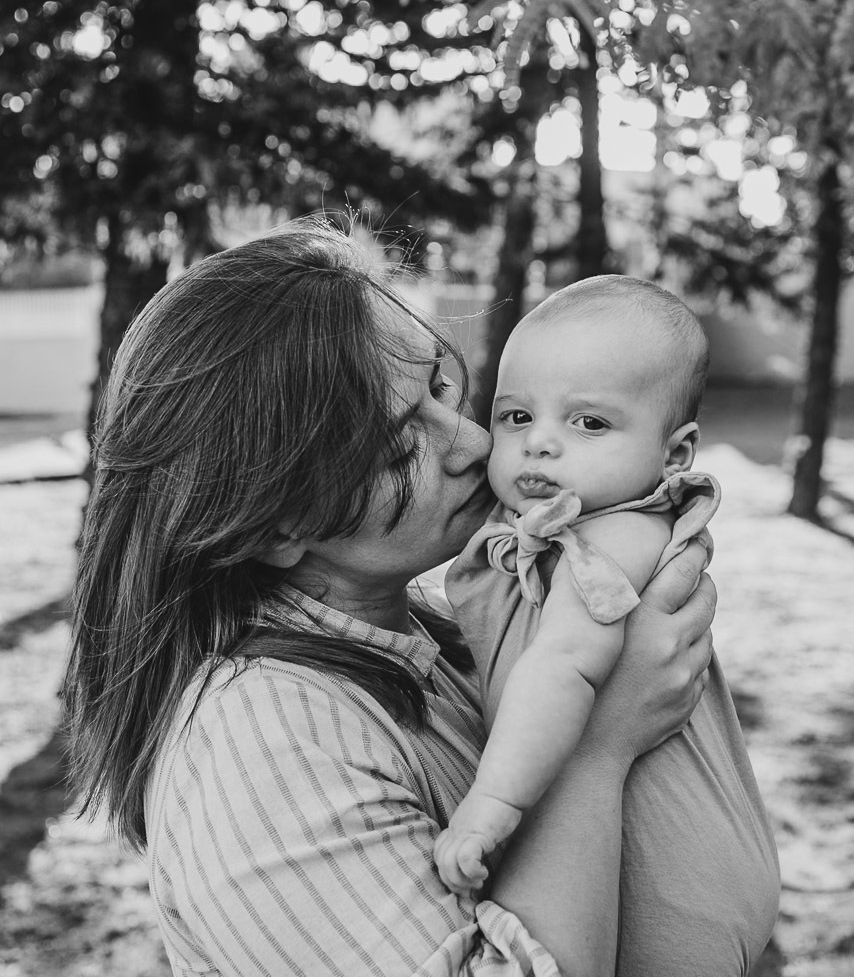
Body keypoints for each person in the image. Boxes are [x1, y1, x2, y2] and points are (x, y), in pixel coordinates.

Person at [64, 222, 717, 977]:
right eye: (403, 439)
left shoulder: (444, 634)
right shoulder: (271, 745)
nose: (473, 441)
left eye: (444, 388)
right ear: (279, 522)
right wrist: (595, 745)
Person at [443, 276, 780, 976]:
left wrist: (491, 803)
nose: (540, 444)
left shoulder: (621, 538)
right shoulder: (559, 523)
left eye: (589, 423)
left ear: (675, 455)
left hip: (678, 888)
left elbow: (563, 662)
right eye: (514, 417)